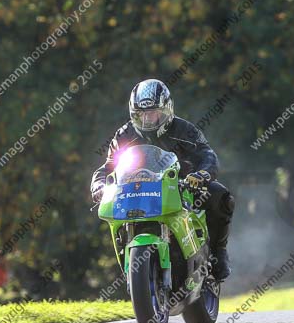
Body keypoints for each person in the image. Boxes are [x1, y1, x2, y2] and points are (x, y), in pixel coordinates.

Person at [91, 78, 235, 280]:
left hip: (181, 187)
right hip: (137, 192)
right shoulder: (124, 135)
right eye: (141, 114)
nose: (147, 119)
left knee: (221, 196)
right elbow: (107, 168)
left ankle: (219, 251)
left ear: (167, 110)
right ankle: (135, 264)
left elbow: (207, 155)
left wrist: (202, 174)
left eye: (153, 113)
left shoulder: (185, 130)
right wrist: (99, 186)